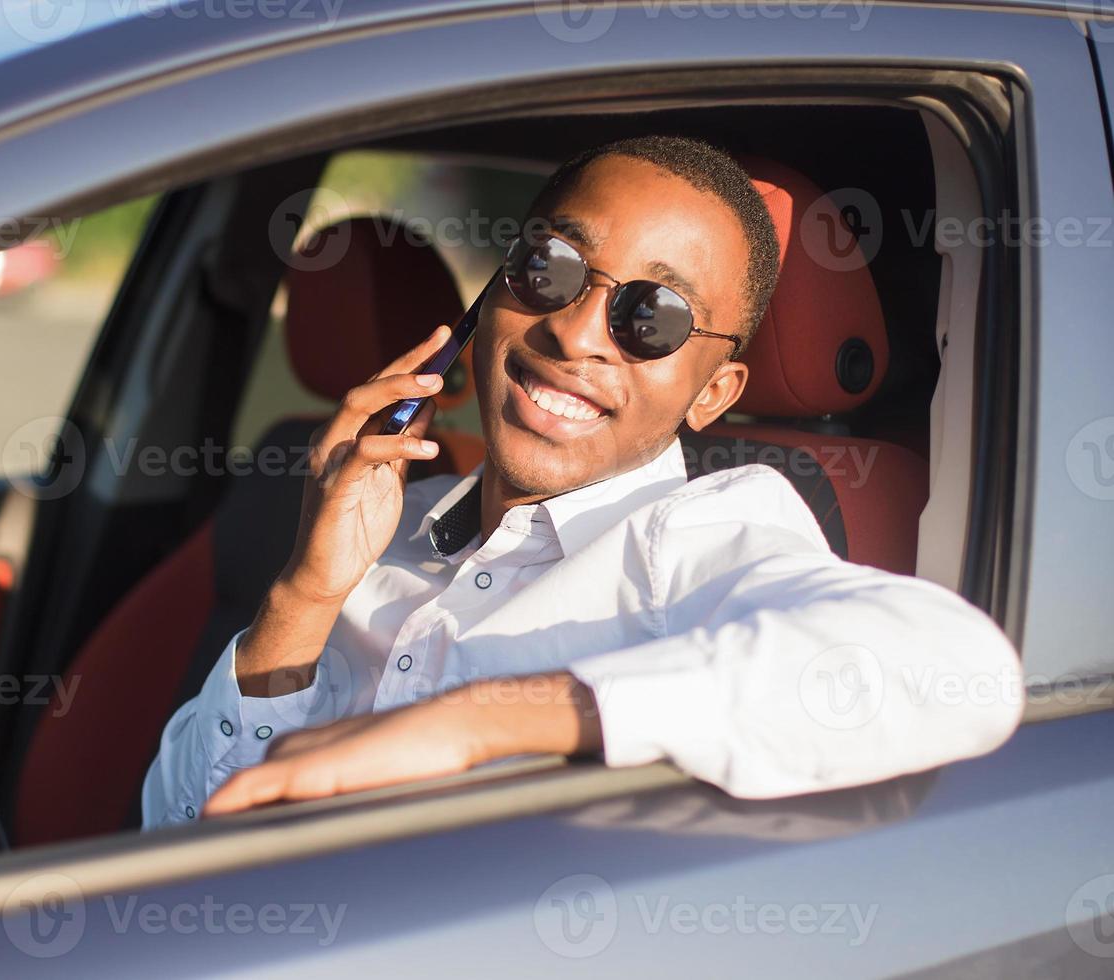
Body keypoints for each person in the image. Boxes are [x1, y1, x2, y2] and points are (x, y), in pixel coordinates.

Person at [142, 135, 1023, 828]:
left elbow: (959, 670)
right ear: (489, 298)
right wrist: (306, 592)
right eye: (550, 268)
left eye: (654, 317)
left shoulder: (699, 538)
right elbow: (179, 828)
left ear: (712, 394)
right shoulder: (387, 523)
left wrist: (480, 721)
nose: (577, 334)